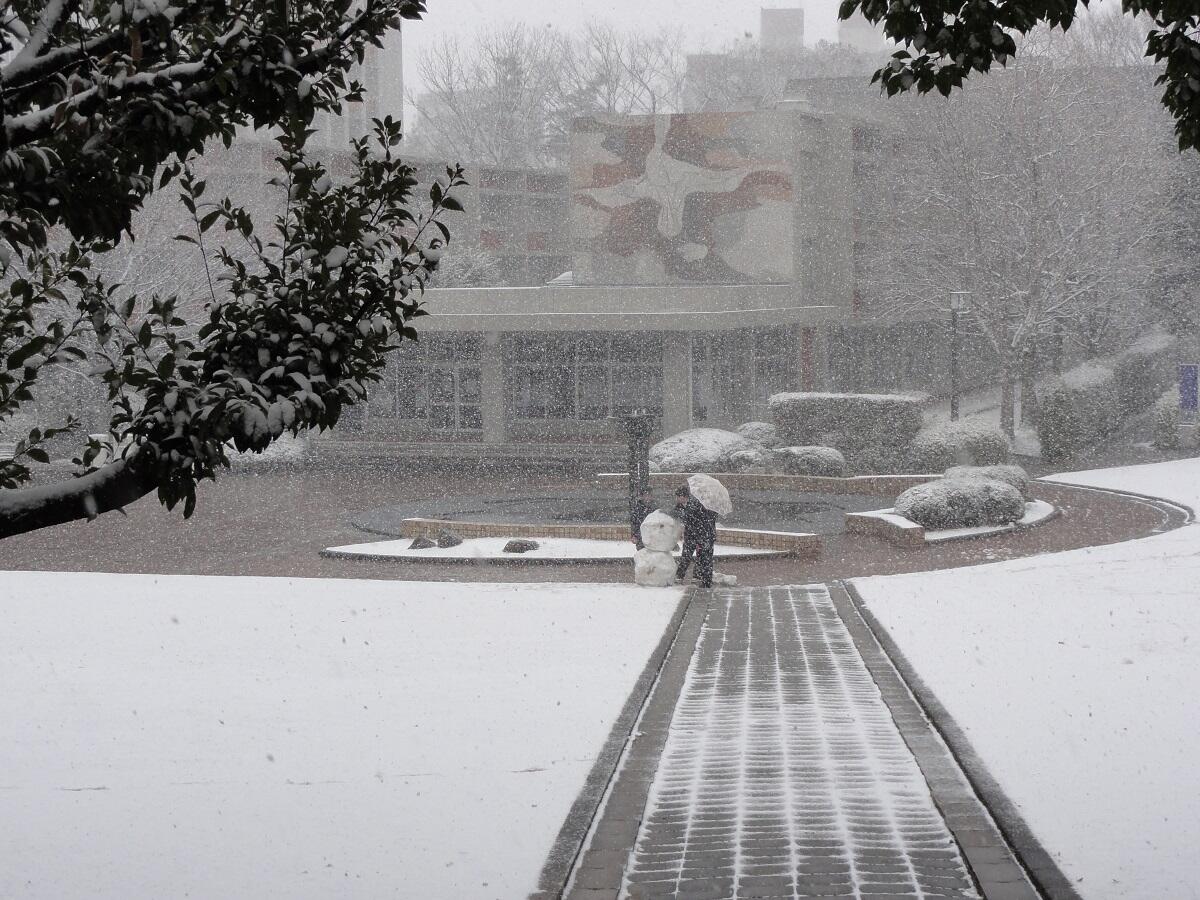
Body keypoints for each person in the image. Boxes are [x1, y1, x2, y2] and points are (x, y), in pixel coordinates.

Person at [674, 485, 718, 589]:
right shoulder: (684, 505)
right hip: (693, 536)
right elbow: (680, 516)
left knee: (704, 558)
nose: (676, 499)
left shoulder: (699, 506)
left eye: (677, 496)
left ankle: (703, 580)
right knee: (687, 556)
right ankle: (682, 575)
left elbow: (700, 521)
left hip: (703, 536)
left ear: (683, 496)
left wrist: (701, 538)